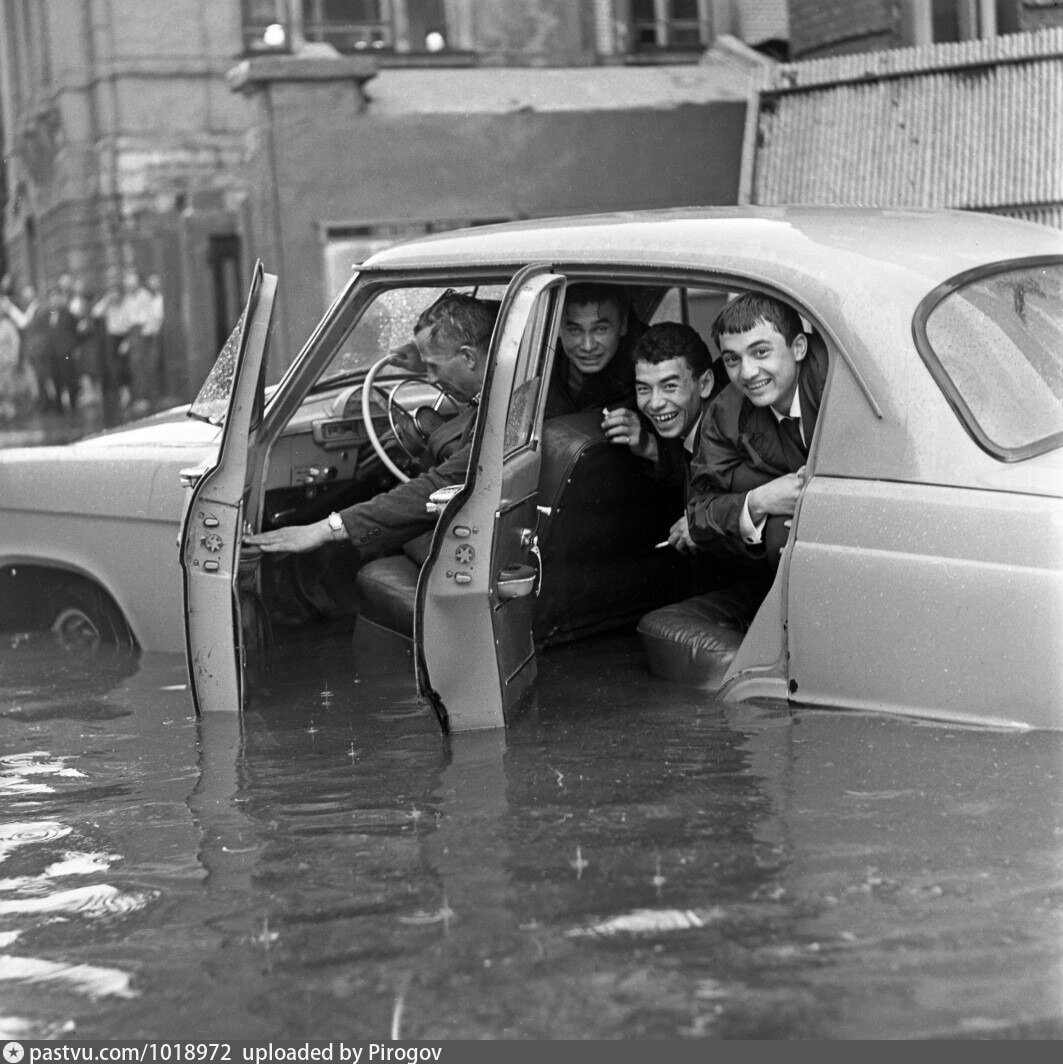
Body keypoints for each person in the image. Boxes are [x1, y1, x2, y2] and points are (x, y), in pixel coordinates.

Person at [244, 291, 498, 562]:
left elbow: (439, 484)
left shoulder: (504, 412)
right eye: (427, 368)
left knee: (354, 555)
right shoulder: (504, 385)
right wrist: (425, 360)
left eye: (434, 367)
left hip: (477, 542)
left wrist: (325, 529)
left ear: (469, 358)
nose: (431, 378)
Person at [686, 292, 828, 574]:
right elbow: (699, 511)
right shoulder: (726, 412)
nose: (747, 372)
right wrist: (761, 499)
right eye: (732, 359)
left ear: (799, 348)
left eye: (761, 352)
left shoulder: (832, 380)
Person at [601, 321, 726, 553]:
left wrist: (704, 523)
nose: (655, 403)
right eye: (644, 389)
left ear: (705, 384)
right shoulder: (692, 427)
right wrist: (648, 445)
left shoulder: (732, 434)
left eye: (669, 386)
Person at [544, 282, 643, 418]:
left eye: (600, 329)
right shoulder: (535, 364)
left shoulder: (649, 372)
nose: (588, 346)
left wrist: (646, 438)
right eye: (575, 330)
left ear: (623, 324)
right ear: (557, 328)